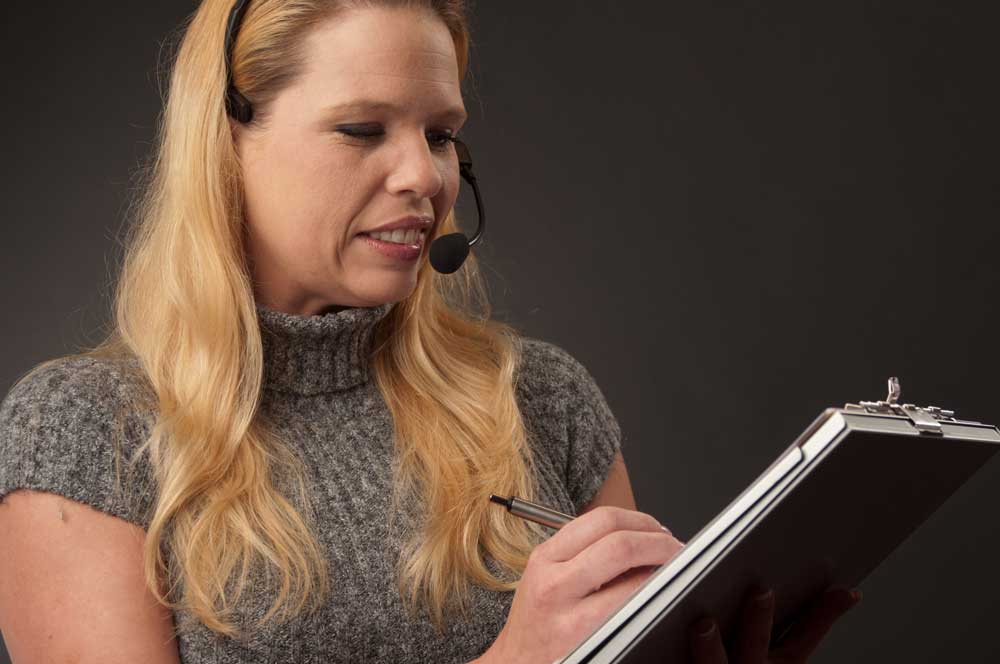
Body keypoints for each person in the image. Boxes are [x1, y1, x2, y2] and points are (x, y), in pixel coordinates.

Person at [0, 1, 860, 662]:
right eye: (363, 129)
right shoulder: (86, 432)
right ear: (226, 142)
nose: (423, 175)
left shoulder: (540, 399)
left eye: (441, 135)